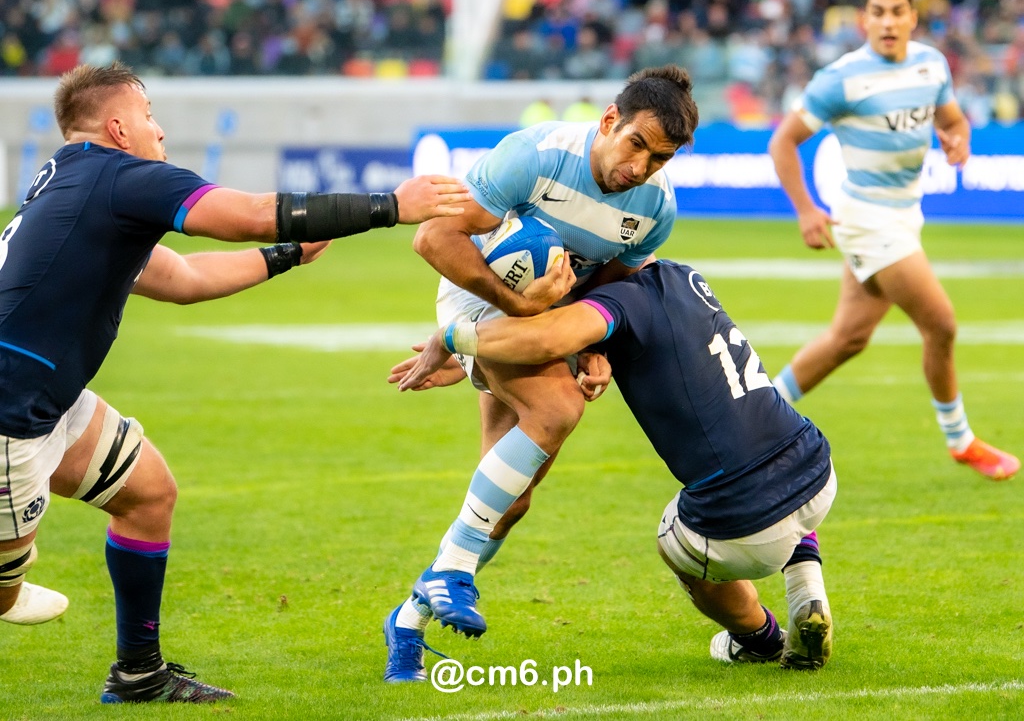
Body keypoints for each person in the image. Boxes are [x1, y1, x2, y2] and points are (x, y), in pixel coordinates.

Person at [0, 62, 469, 703]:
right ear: (117, 126)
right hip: (11, 411)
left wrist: (286, 255)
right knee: (2, 596)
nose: (159, 131)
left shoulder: (76, 184)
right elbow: (246, 213)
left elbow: (183, 281)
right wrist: (391, 206)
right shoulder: (117, 176)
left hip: (44, 400)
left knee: (148, 493)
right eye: (148, 117)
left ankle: (138, 673)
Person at [382, 65, 700, 676]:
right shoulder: (535, 155)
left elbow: (609, 284)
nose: (639, 168)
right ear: (610, 120)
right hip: (480, 298)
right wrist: (516, 310)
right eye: (635, 145)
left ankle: (409, 619)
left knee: (513, 501)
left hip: (547, 317)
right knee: (557, 409)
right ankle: (451, 574)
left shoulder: (656, 209)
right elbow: (433, 239)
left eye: (658, 159)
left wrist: (592, 349)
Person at [390, 259, 836, 679]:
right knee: (511, 500)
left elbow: (550, 338)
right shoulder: (684, 277)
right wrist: (483, 363)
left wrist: (453, 340)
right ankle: (805, 586)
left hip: (743, 525)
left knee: (675, 537)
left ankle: (758, 638)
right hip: (816, 469)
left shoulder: (619, 300)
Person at [767, 0, 1019, 482]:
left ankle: (753, 413)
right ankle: (961, 440)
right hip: (866, 219)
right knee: (942, 323)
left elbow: (952, 121)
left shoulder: (931, 65)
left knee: (847, 339)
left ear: (912, 18)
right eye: (877, 12)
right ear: (864, 20)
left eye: (897, 12)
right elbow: (782, 142)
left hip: (906, 214)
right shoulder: (840, 78)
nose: (887, 21)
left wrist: (958, 141)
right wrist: (806, 210)